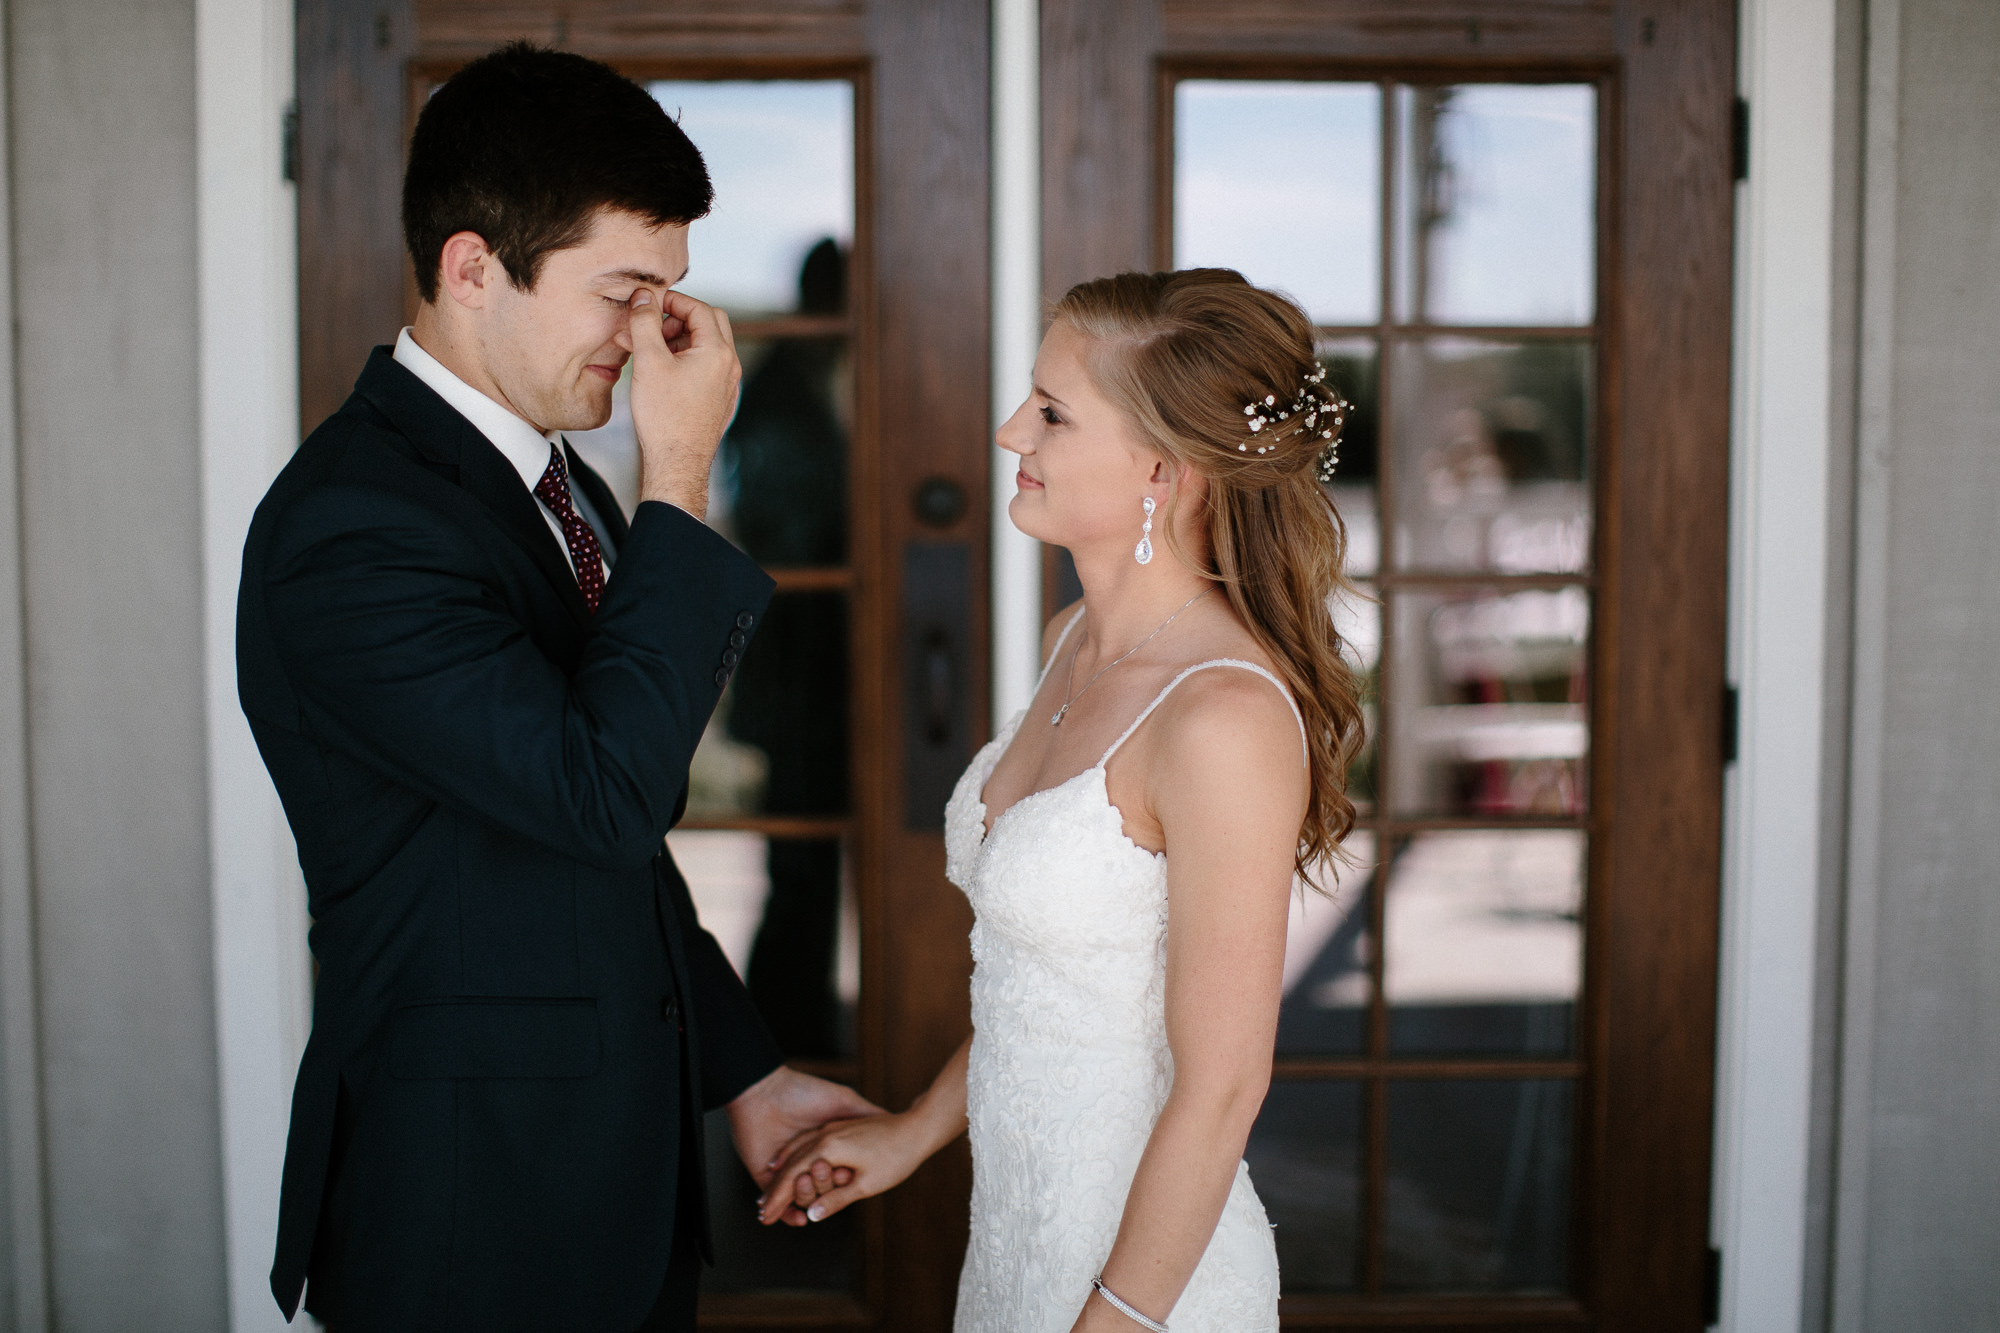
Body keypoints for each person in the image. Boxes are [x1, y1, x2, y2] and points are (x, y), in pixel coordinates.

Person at [236, 44, 877, 1332]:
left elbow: (606, 860)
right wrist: (682, 475)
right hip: (475, 1204)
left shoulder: (557, 480)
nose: (651, 339)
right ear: (475, 268)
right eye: (622, 292)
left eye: (668, 295)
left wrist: (741, 1070)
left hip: (611, 1171)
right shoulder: (352, 527)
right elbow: (601, 795)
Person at [755, 269, 1368, 1332]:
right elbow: (1039, 988)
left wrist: (1116, 1320)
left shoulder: (1218, 717)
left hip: (1147, 1290)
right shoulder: (1068, 647)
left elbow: (1221, 1086)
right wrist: (909, 1132)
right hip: (1017, 1251)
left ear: (1160, 470)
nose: (1006, 433)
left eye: (1048, 411)